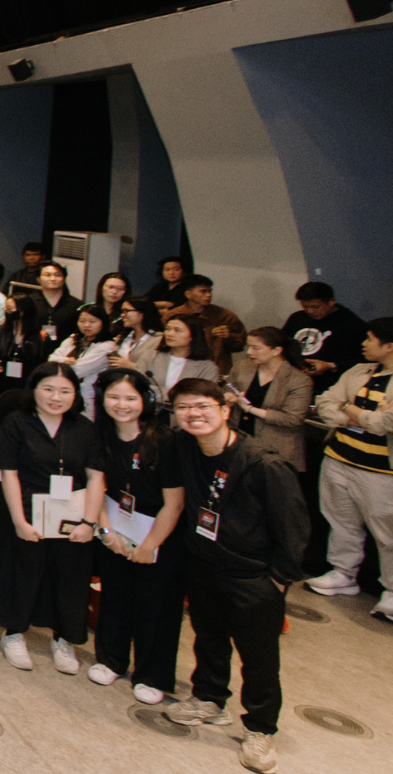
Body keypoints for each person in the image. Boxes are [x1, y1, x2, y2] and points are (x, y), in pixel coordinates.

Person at [165, 378, 309, 773]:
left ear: (226, 409)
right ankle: (209, 699)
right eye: (183, 407)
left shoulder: (265, 463)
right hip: (205, 563)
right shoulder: (185, 447)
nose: (192, 414)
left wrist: (277, 581)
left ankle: (261, 729)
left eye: (202, 406)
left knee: (259, 657)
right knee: (208, 637)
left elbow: (294, 529)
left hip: (253, 576)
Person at [0, 363, 104, 676]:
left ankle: (63, 639)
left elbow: (95, 477)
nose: (56, 397)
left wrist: (89, 523)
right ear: (34, 389)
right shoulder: (16, 422)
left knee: (68, 579)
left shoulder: (85, 428)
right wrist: (19, 521)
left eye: (65, 391)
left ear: (75, 395)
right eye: (48, 389)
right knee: (23, 572)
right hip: (28, 511)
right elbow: (8, 474)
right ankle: (13, 633)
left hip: (73, 517)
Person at [87, 369, 187, 705]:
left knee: (156, 606)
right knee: (115, 596)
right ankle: (111, 659)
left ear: (147, 400)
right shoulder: (100, 434)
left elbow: (175, 504)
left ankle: (151, 674)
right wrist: (106, 532)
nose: (121, 405)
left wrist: (149, 545)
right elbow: (96, 487)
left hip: (158, 536)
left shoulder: (164, 441)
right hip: (115, 530)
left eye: (131, 398)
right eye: (114, 397)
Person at [305, 317, 393, 617]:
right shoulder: (358, 371)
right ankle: (343, 574)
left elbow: (385, 424)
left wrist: (351, 409)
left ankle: (392, 591)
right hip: (339, 457)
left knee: (387, 533)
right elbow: (326, 401)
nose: (363, 344)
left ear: (389, 345)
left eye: (370, 339)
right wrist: (352, 413)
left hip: (382, 471)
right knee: (341, 520)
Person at [224, 328, 313, 471]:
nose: (249, 352)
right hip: (237, 440)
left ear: (276, 351)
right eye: (248, 346)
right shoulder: (242, 367)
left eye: (256, 348)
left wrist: (250, 409)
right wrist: (227, 397)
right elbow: (229, 387)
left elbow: (293, 419)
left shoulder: (299, 380)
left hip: (275, 449)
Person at [283, 281, 367, 394]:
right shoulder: (297, 318)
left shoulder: (352, 324)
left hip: (333, 386)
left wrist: (331, 365)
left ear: (331, 302)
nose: (310, 311)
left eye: (315, 307)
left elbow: (366, 360)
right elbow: (282, 344)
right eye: (305, 306)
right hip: (296, 382)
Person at [162, 274, 246, 374]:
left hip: (216, 370)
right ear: (188, 294)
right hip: (180, 369)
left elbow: (241, 344)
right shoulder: (173, 316)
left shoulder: (224, 315)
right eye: (203, 291)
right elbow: (163, 345)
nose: (209, 295)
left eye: (210, 291)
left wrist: (229, 336)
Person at [48, 303, 119, 415]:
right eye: (82, 321)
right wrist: (65, 361)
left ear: (103, 323)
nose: (86, 325)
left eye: (92, 321)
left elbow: (78, 370)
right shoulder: (73, 339)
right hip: (65, 393)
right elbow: (50, 359)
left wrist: (60, 361)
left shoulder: (107, 346)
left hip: (89, 399)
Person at [132, 314, 219, 403]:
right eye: (167, 329)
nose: (170, 334)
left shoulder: (207, 367)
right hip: (150, 411)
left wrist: (156, 390)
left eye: (177, 330)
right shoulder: (149, 356)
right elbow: (136, 386)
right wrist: (175, 394)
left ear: (193, 335)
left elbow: (201, 397)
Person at [0, 294, 43, 404]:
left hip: (23, 385)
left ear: (23, 311)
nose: (7, 312)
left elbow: (40, 363)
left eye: (10, 309)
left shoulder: (36, 336)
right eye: (6, 309)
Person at [29, 262, 81, 347]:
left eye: (57, 275)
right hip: (32, 351)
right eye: (47, 275)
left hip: (64, 353)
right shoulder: (29, 301)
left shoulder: (76, 305)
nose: (53, 278)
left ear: (64, 279)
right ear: (39, 279)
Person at [108, 297, 160, 368]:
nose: (122, 315)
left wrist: (131, 366)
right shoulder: (124, 338)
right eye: (122, 311)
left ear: (142, 313)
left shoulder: (158, 340)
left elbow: (157, 370)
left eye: (127, 311)